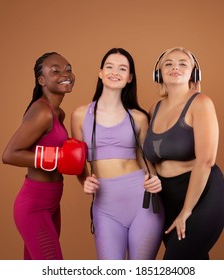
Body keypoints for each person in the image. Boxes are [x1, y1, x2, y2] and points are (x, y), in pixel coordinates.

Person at [71, 48, 164, 260]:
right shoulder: (80, 115)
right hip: (105, 206)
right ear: (100, 73)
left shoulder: (138, 117)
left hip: (143, 202)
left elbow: (146, 162)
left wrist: (155, 178)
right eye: (110, 67)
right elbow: (78, 163)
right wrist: (84, 181)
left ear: (129, 77)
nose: (115, 72)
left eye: (123, 68)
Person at [143, 47, 224, 260]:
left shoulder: (201, 103)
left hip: (201, 196)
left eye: (183, 63)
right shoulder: (154, 108)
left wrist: (187, 210)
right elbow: (148, 155)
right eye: (168, 63)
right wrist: (151, 176)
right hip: (167, 198)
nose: (175, 67)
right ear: (158, 73)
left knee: (176, 263)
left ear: (194, 73)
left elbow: (206, 160)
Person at [2, 52, 84, 260]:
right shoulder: (42, 112)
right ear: (42, 80)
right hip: (34, 205)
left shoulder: (58, 113)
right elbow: (10, 154)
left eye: (68, 69)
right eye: (55, 71)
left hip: (52, 201)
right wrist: (57, 157)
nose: (66, 74)